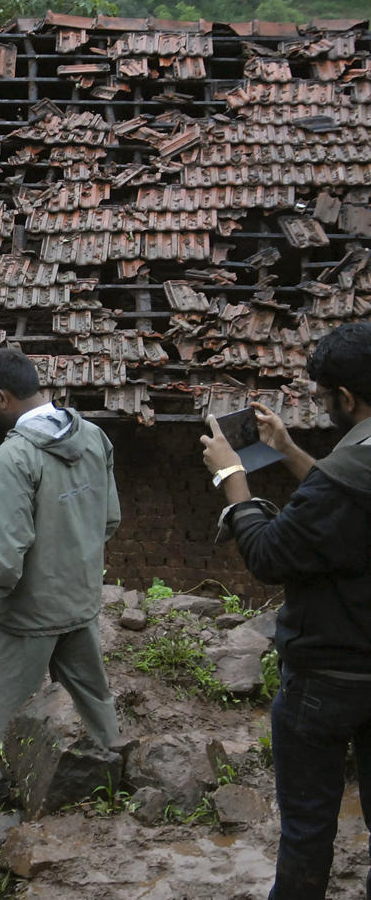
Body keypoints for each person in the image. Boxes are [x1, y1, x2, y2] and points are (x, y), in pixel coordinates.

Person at [201, 320, 371, 900]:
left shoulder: (338, 488)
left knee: (307, 830)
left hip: (326, 678)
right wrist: (291, 450)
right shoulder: (355, 471)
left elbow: (270, 555)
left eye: (325, 399)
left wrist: (232, 476)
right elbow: (348, 498)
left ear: (345, 398)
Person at [0, 347, 121, 823]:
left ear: (1, 397)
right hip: (80, 603)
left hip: (25, 617)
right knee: (92, 700)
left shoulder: (15, 457)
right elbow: (109, 519)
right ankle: (113, 784)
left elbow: (4, 559)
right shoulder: (93, 436)